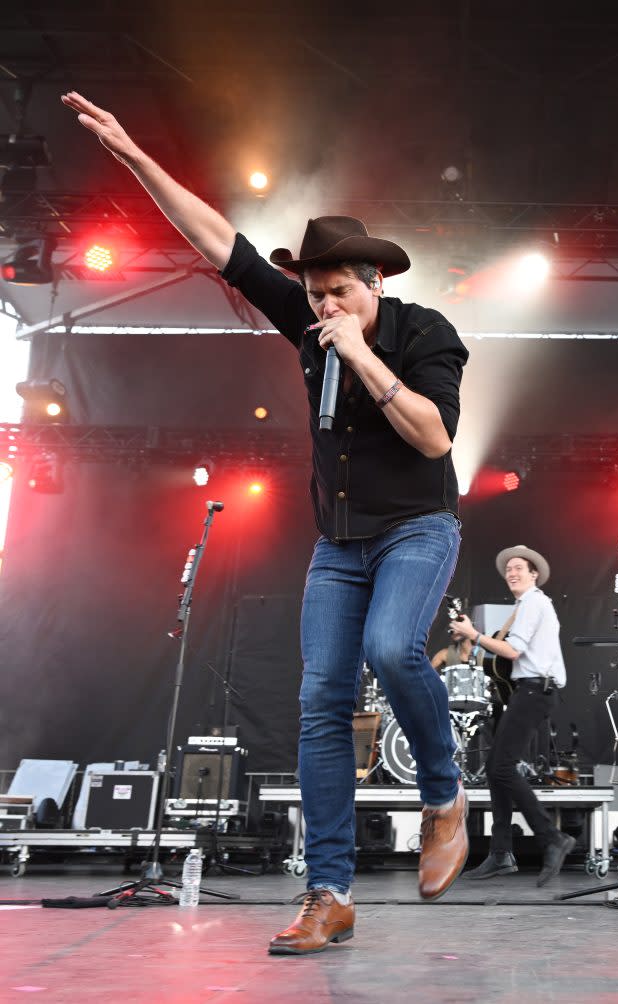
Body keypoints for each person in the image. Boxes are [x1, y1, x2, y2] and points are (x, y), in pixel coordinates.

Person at [61, 92, 470, 953]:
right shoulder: (307, 323)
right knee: (320, 702)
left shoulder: (424, 332)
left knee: (393, 650)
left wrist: (361, 356)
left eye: (338, 295)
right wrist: (136, 157)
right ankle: (328, 893)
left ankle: (443, 795)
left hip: (416, 529)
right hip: (339, 544)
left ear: (376, 284)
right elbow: (223, 244)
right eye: (315, 294)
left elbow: (433, 438)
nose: (323, 307)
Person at [451, 544, 575, 886]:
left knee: (501, 767)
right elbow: (506, 657)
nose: (512, 573)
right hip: (526, 690)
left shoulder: (534, 603)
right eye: (508, 569)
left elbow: (513, 650)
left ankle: (552, 838)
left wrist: (473, 635)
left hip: (536, 691)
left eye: (519, 568)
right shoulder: (522, 607)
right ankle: (501, 853)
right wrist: (473, 639)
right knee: (495, 769)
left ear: (534, 574)